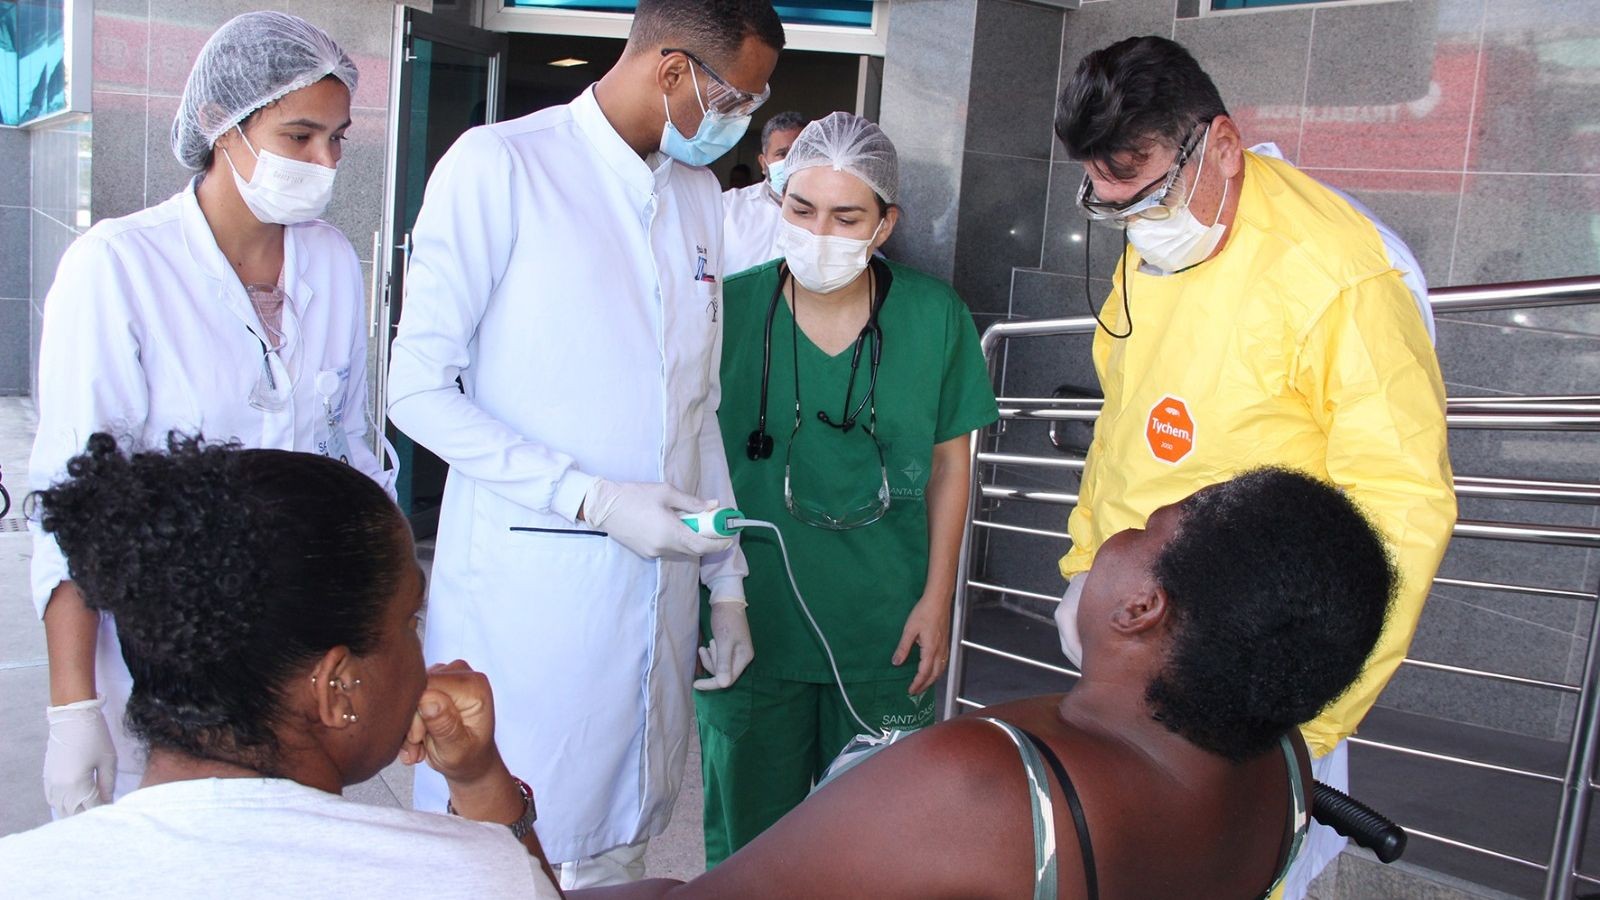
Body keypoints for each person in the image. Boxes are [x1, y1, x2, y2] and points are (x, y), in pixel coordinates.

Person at [384, 0, 784, 886]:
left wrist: (726, 580)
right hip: (532, 603)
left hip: (659, 597)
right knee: (502, 851)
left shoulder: (696, 195)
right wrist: (591, 498)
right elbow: (414, 389)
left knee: (621, 850)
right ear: (673, 70)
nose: (741, 126)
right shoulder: (503, 166)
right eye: (738, 101)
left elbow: (697, 407)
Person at [1052, 35, 1457, 896]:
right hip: (1123, 630)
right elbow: (1120, 426)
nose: (1134, 222)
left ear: (1223, 146)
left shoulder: (1343, 275)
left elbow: (1400, 513)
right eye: (1108, 202)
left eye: (1149, 191)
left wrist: (1305, 728)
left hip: (1252, 674)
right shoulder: (1160, 243)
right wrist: (1083, 570)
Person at [607, 468, 1398, 898]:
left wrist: (501, 816)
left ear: (1140, 607)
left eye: (1147, 526)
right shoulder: (1284, 767)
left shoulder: (990, 789)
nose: (1117, 538)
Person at [28, 11, 392, 821]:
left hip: (297, 650)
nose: (324, 162)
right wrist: (71, 706)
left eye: (337, 139)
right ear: (216, 124)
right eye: (299, 136)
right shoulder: (118, 268)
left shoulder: (330, 261)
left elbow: (349, 451)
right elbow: (73, 500)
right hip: (164, 659)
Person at [2, 435, 555, 897]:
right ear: (338, 688)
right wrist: (482, 781)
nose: (424, 652)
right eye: (411, 621)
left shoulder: (20, 875)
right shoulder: (469, 879)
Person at [696, 111, 999, 866]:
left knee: (879, 847)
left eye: (846, 215)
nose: (819, 232)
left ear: (885, 223)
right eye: (801, 209)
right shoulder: (725, 312)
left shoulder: (936, 318)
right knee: (750, 849)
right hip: (751, 622)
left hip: (885, 628)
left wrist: (938, 599)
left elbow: (952, 465)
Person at [721, 110, 808, 274]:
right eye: (782, 154)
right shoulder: (727, 207)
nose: (791, 161)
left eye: (800, 153)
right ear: (763, 163)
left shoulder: (830, 213)